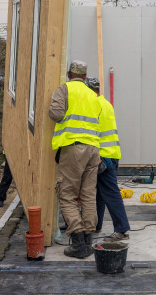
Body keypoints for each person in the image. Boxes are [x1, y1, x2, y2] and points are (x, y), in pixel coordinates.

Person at [49, 60, 102, 259]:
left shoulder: (64, 90)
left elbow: (56, 113)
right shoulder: (93, 95)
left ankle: (78, 242)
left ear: (69, 74)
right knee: (88, 195)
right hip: (93, 149)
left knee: (67, 194)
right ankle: (88, 239)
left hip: (73, 147)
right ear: (85, 77)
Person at [86, 77, 130, 241]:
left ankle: (122, 229)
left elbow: (92, 132)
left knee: (110, 193)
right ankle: (95, 225)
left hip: (103, 156)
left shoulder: (94, 105)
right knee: (100, 193)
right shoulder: (105, 103)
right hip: (112, 154)